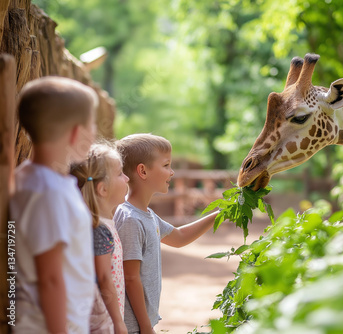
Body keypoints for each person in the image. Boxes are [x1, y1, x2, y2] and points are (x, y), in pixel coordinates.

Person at [9, 76, 98, 333]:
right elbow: (49, 278)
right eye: (92, 124)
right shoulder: (48, 192)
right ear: (76, 132)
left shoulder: (38, 180)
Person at [114, 133, 219, 333]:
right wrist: (145, 327)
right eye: (166, 166)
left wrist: (218, 215)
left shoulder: (147, 215)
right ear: (143, 171)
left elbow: (178, 237)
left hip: (141, 323)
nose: (172, 173)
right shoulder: (130, 219)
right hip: (132, 326)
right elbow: (130, 278)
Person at [70, 143, 129, 334]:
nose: (127, 178)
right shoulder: (98, 229)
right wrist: (118, 323)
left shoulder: (101, 225)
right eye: (120, 173)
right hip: (101, 322)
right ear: (103, 189)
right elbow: (104, 279)